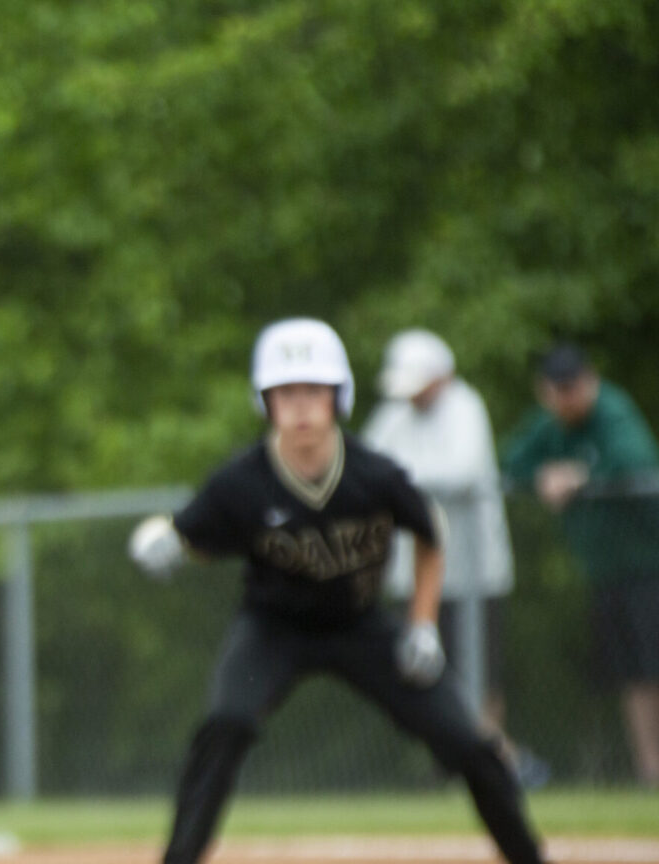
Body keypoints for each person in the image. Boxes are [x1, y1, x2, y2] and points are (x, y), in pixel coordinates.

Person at [128, 318, 544, 864]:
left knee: (469, 740)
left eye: (313, 391)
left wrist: (422, 624)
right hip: (272, 628)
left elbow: (429, 535)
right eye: (286, 393)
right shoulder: (241, 481)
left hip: (360, 625)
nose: (300, 406)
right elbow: (201, 537)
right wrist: (168, 542)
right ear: (265, 401)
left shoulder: (375, 474)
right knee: (226, 723)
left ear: (338, 397)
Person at [362, 328, 544, 786]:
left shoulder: (465, 407)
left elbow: (461, 472)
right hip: (415, 575)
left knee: (479, 676)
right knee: (425, 674)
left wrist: (397, 483)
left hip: (472, 572)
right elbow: (364, 465)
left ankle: (491, 761)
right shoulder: (394, 415)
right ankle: (455, 765)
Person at [502, 342, 659, 789]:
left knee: (653, 670)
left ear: (589, 381)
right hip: (609, 573)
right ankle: (651, 771)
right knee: (635, 674)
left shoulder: (613, 411)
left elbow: (636, 461)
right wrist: (546, 473)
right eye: (558, 389)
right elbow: (513, 461)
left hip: (650, 567)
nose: (566, 397)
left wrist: (580, 475)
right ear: (545, 391)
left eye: (573, 387)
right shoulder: (552, 424)